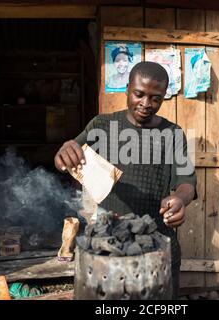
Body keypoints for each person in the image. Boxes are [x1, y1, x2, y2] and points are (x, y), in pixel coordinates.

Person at [55, 61, 197, 299]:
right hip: (109, 241)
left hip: (157, 242)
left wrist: (180, 200)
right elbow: (65, 159)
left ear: (163, 97)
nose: (145, 104)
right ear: (127, 89)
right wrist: (63, 154)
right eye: (139, 94)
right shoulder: (102, 125)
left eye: (155, 98)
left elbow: (187, 183)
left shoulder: (172, 134)